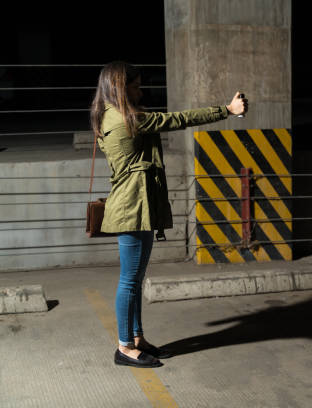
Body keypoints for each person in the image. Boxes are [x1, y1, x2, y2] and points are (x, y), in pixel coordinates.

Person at [90, 61, 247, 368]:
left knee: (135, 279)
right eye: (135, 85)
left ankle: (136, 339)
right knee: (129, 281)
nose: (141, 90)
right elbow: (179, 119)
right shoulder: (127, 119)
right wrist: (226, 109)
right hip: (132, 208)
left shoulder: (112, 113)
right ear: (121, 88)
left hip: (138, 205)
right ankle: (124, 347)